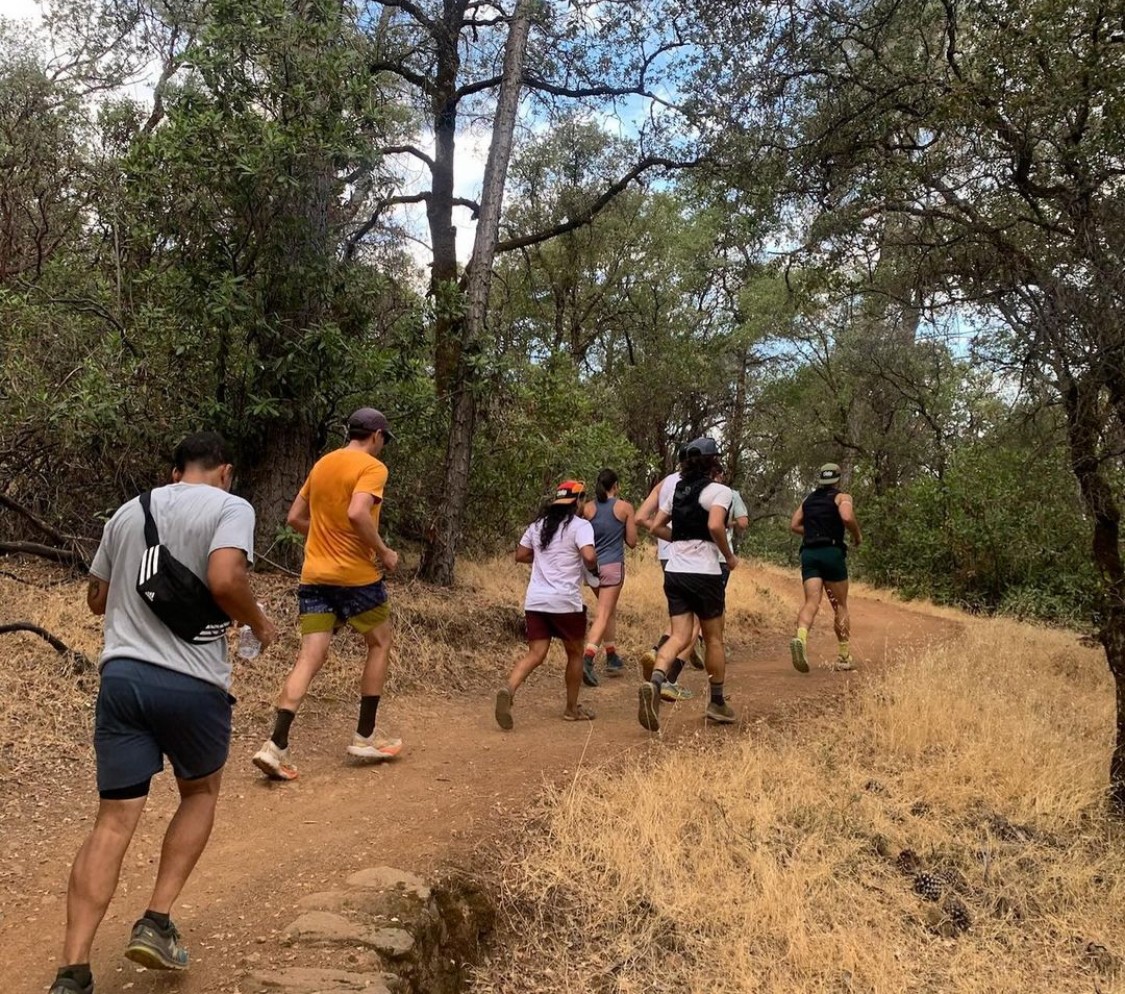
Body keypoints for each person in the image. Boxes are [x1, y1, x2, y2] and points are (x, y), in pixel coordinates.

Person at [50, 432, 276, 994]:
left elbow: (97, 599)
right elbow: (226, 578)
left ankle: (72, 971)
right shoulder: (231, 507)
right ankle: (155, 920)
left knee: (112, 820)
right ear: (224, 471)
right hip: (193, 684)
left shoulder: (129, 511)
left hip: (122, 678)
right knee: (199, 793)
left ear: (175, 472)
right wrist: (259, 622)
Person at [252, 408, 402, 781]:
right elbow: (357, 513)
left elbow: (294, 517)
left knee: (310, 656)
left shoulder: (323, 464)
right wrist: (383, 552)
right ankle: (365, 736)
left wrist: (324, 536)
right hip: (356, 576)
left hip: (315, 574)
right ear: (377, 435)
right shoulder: (372, 468)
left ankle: (275, 746)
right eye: (384, 440)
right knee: (380, 642)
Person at [637, 437, 739, 732]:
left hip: (676, 571)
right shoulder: (719, 491)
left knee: (679, 635)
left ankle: (656, 682)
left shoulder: (678, 490)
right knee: (714, 638)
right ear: (713, 462)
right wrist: (728, 556)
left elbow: (655, 526)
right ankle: (717, 702)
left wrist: (680, 539)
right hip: (705, 573)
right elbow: (715, 525)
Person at [495, 480, 599, 729]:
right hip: (566, 602)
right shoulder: (580, 526)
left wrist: (544, 558)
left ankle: (509, 690)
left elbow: (520, 555)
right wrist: (594, 567)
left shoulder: (537, 526)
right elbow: (589, 556)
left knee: (536, 653)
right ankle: (571, 709)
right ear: (578, 501)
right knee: (574, 654)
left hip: (536, 600)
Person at [636, 446, 701, 702]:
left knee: (680, 613)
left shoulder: (665, 483)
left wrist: (667, 534)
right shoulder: (704, 483)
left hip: (667, 552)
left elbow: (641, 517)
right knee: (692, 622)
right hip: (693, 556)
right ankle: (668, 677)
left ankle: (658, 653)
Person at [788, 463, 863, 674]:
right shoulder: (842, 497)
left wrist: (813, 532)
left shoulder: (808, 500)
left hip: (810, 553)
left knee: (811, 601)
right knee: (840, 605)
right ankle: (844, 656)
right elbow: (847, 517)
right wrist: (857, 536)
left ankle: (801, 637)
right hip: (831, 552)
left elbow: (794, 525)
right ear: (838, 479)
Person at [579, 469, 637, 684]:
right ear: (616, 486)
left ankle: (612, 655)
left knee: (608, 609)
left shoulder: (587, 508)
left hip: (591, 566)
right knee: (603, 613)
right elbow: (632, 541)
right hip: (612, 567)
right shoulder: (624, 508)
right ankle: (587, 659)